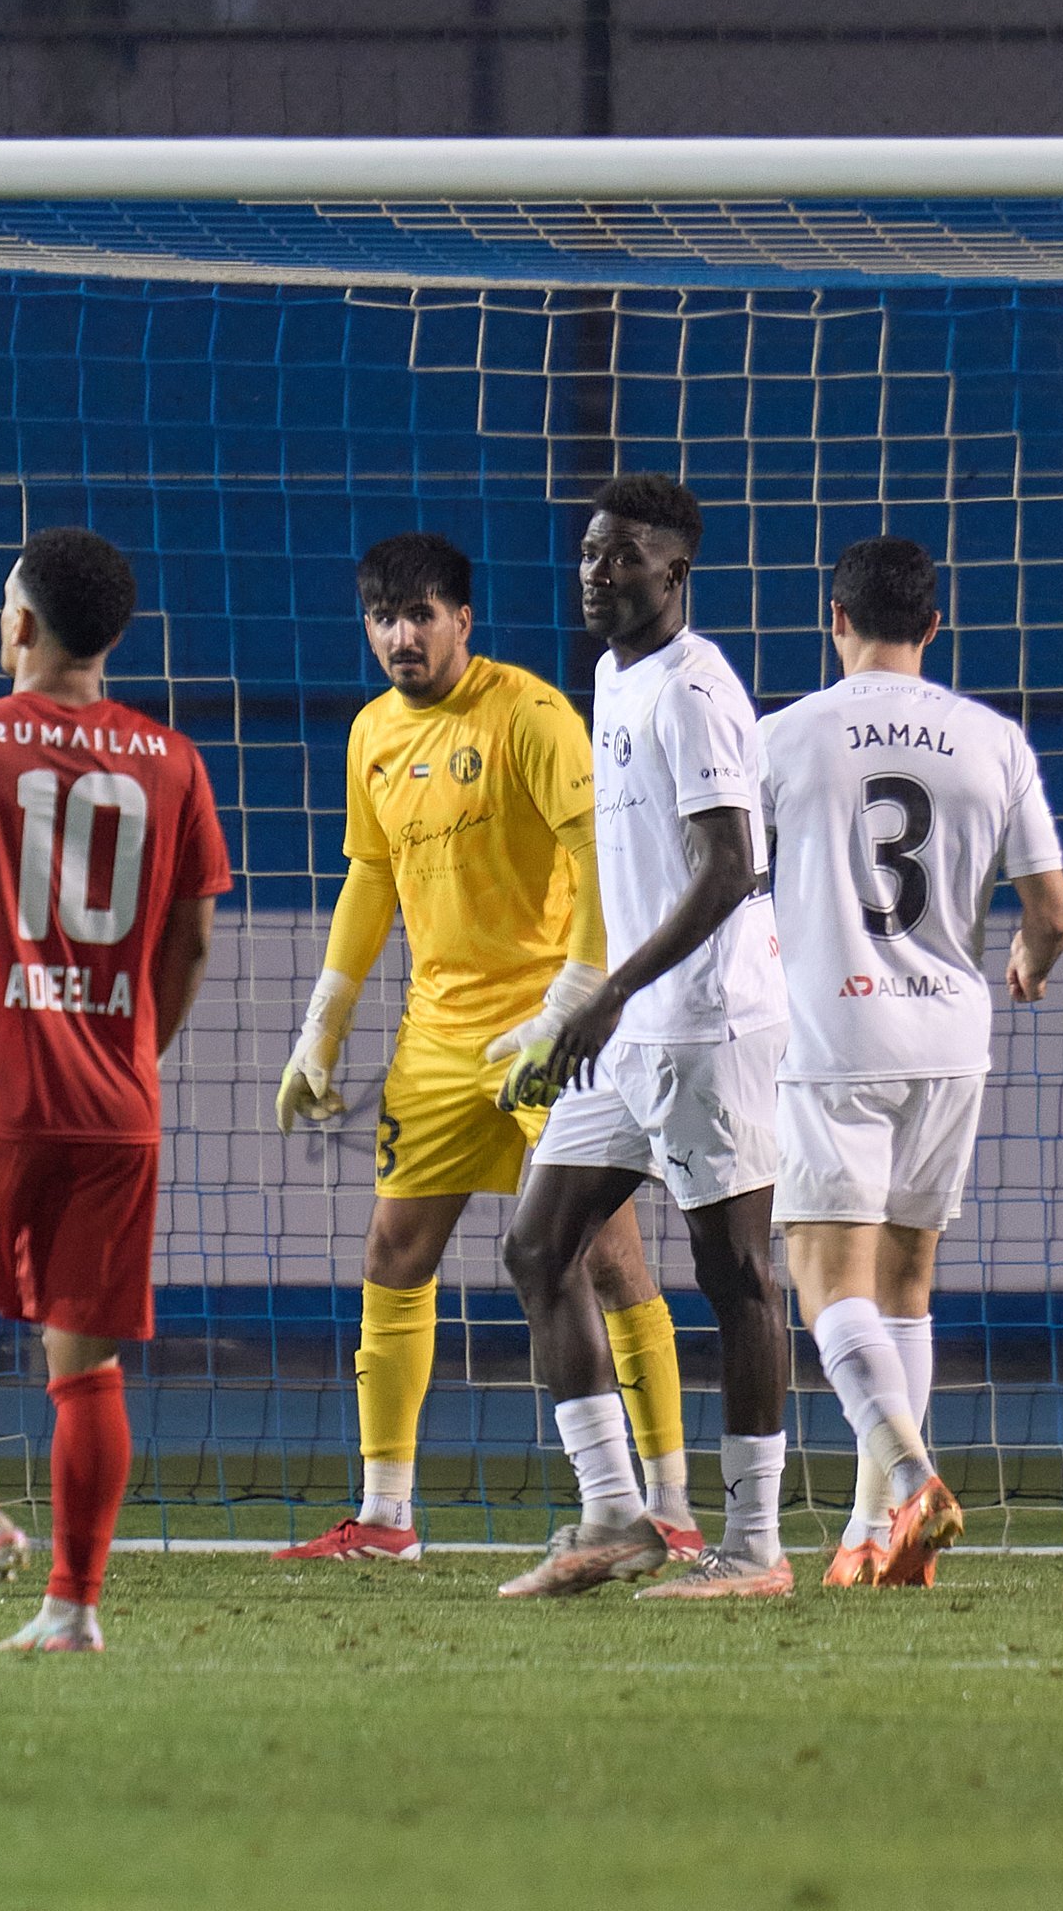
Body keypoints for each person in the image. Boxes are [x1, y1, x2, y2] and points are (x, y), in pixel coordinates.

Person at [273, 531, 700, 1564]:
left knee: (607, 1256)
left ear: (462, 620)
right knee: (393, 1253)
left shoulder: (532, 716)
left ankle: (672, 1508)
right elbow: (370, 876)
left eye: (420, 616)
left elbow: (596, 852)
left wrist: (575, 995)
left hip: (548, 1036)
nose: (401, 637)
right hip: (436, 1039)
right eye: (383, 618)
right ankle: (385, 1516)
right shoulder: (371, 734)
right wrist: (323, 1025)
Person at [0, 527, 231, 1653]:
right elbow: (192, 941)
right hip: (117, 1108)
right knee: (87, 1364)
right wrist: (133, 1055)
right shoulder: (174, 760)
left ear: (21, 622)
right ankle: (73, 1610)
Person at [500, 472, 794, 1603]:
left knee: (735, 1276)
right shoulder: (612, 675)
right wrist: (595, 998)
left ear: (677, 570)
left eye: (622, 555)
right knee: (539, 1248)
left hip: (706, 1029)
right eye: (589, 552)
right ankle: (616, 1516)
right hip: (628, 1032)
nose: (595, 572)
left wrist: (612, 992)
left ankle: (755, 1548)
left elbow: (730, 867)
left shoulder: (693, 691)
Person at [759, 535, 1063, 1587]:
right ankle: (869, 1537)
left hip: (834, 1036)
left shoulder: (783, 737)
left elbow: (724, 877)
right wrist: (1028, 960)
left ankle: (909, 1479)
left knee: (824, 1278)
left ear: (835, 619)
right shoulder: (993, 740)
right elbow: (1053, 910)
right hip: (949, 1040)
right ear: (934, 627)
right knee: (906, 1286)